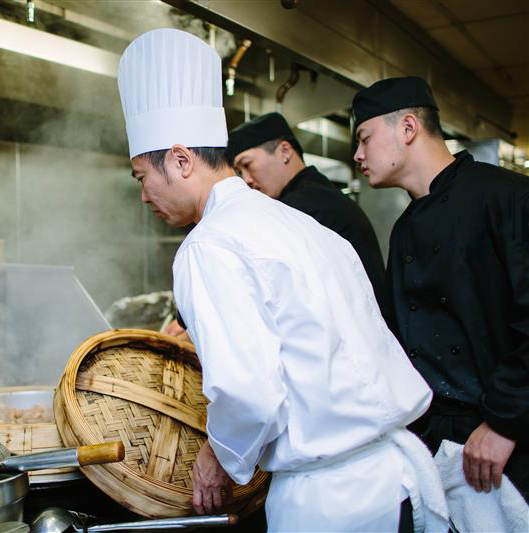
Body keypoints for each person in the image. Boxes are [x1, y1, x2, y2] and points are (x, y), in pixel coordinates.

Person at [118, 29, 443, 531]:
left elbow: (250, 395)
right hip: (391, 482)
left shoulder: (209, 246)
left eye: (142, 176)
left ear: (181, 161)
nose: (144, 195)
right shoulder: (296, 223)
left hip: (329, 502)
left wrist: (217, 458)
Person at [352, 76, 529, 502]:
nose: (358, 154)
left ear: (408, 128)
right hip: (437, 442)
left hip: (506, 442)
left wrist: (504, 422)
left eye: (364, 138)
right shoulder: (405, 227)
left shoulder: (507, 197)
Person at [225, 112, 389, 317]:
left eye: (247, 165)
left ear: (285, 151)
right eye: (240, 172)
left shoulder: (304, 205)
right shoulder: (314, 192)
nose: (246, 180)